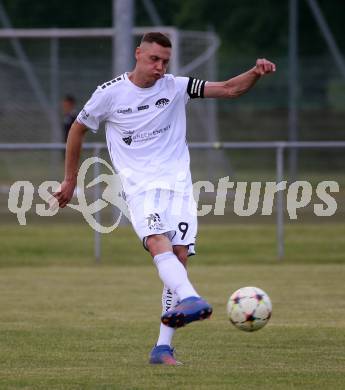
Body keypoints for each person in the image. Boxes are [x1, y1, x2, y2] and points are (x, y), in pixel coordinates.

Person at [53, 32, 276, 365]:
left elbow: (230, 88)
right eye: (153, 59)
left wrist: (254, 73)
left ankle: (162, 348)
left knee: (180, 256)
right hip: (139, 187)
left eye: (165, 62)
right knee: (159, 242)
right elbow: (77, 129)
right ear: (138, 53)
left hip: (179, 187)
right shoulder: (109, 93)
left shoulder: (176, 86)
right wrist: (70, 179)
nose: (159, 67)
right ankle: (191, 297)